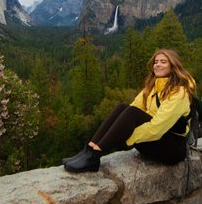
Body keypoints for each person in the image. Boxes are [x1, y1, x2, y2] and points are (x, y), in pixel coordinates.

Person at [63, 49, 196, 173]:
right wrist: (120, 129)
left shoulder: (179, 93)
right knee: (123, 107)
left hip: (172, 148)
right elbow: (133, 107)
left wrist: (124, 135)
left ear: (173, 66)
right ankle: (90, 149)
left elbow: (157, 128)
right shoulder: (153, 87)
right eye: (156, 62)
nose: (158, 65)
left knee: (132, 113)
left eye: (163, 62)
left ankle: (95, 155)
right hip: (154, 141)